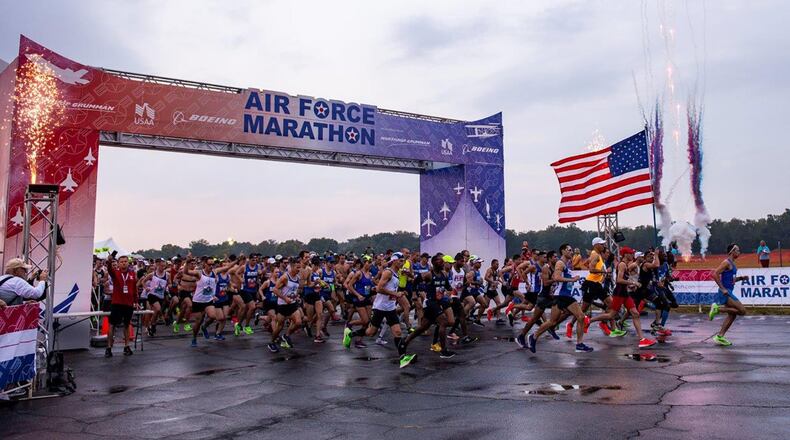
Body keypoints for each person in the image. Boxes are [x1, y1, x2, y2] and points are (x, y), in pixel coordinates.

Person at [526, 244, 593, 353]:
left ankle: (534, 336)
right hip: (561, 295)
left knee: (558, 321)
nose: (571, 252)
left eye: (572, 250)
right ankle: (534, 336)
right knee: (570, 318)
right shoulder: (560, 263)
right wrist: (572, 280)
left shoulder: (566, 264)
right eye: (569, 250)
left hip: (564, 295)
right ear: (563, 251)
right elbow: (556, 277)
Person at [709, 243, 748, 346]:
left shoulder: (732, 264)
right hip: (725, 292)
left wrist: (741, 278)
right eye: (738, 250)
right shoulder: (726, 262)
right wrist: (722, 289)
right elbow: (715, 274)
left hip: (728, 290)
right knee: (742, 311)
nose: (739, 253)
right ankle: (717, 309)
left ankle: (720, 336)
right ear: (732, 252)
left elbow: (732, 280)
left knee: (733, 315)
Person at [105, 253, 139, 357]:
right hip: (117, 303)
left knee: (126, 325)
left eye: (125, 261)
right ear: (118, 264)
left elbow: (134, 289)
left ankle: (127, 346)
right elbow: (109, 269)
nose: (124, 263)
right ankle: (109, 348)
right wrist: (109, 261)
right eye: (121, 262)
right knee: (112, 325)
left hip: (128, 304)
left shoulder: (133, 274)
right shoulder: (115, 273)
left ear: (128, 263)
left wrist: (136, 301)